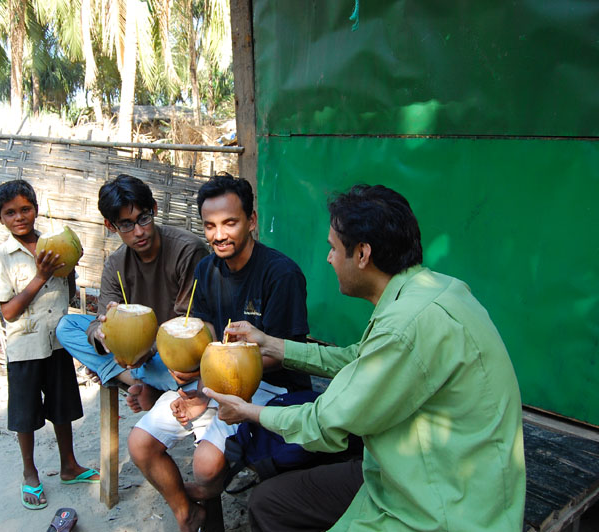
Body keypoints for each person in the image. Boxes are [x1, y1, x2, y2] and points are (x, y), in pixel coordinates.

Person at [207, 184, 526, 531]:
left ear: (362, 254)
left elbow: (325, 423)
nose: (329, 258)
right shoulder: (432, 290)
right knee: (270, 502)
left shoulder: (406, 325)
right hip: (414, 470)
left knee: (284, 488)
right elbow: (359, 359)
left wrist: (248, 412)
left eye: (333, 248)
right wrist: (270, 344)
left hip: (440, 504)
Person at [127, 174, 312, 532]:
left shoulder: (281, 274)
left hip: (271, 385)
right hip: (213, 380)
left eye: (230, 223)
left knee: (205, 466)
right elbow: (208, 331)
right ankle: (187, 512)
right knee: (140, 444)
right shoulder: (206, 269)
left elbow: (283, 354)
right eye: (210, 226)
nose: (219, 235)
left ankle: (205, 490)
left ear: (251, 221)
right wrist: (189, 370)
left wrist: (205, 392)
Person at [0, 179, 99, 511]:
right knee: (25, 414)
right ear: (0, 218)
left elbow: (69, 290)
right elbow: (9, 312)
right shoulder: (1, 256)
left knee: (63, 408)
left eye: (25, 209)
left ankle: (69, 466)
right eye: (10, 212)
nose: (19, 217)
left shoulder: (53, 245)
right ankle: (30, 473)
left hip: (58, 343)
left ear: (36, 210)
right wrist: (41, 276)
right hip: (25, 347)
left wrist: (69, 265)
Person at [55, 174, 209, 412]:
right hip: (137, 354)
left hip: (172, 351)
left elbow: (189, 324)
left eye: (143, 218)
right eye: (126, 224)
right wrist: (101, 336)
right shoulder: (115, 264)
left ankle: (129, 377)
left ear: (154, 209)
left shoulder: (187, 251)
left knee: (181, 369)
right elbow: (99, 322)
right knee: (67, 326)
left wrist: (145, 352)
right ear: (111, 226)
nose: (139, 231)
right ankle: (137, 381)